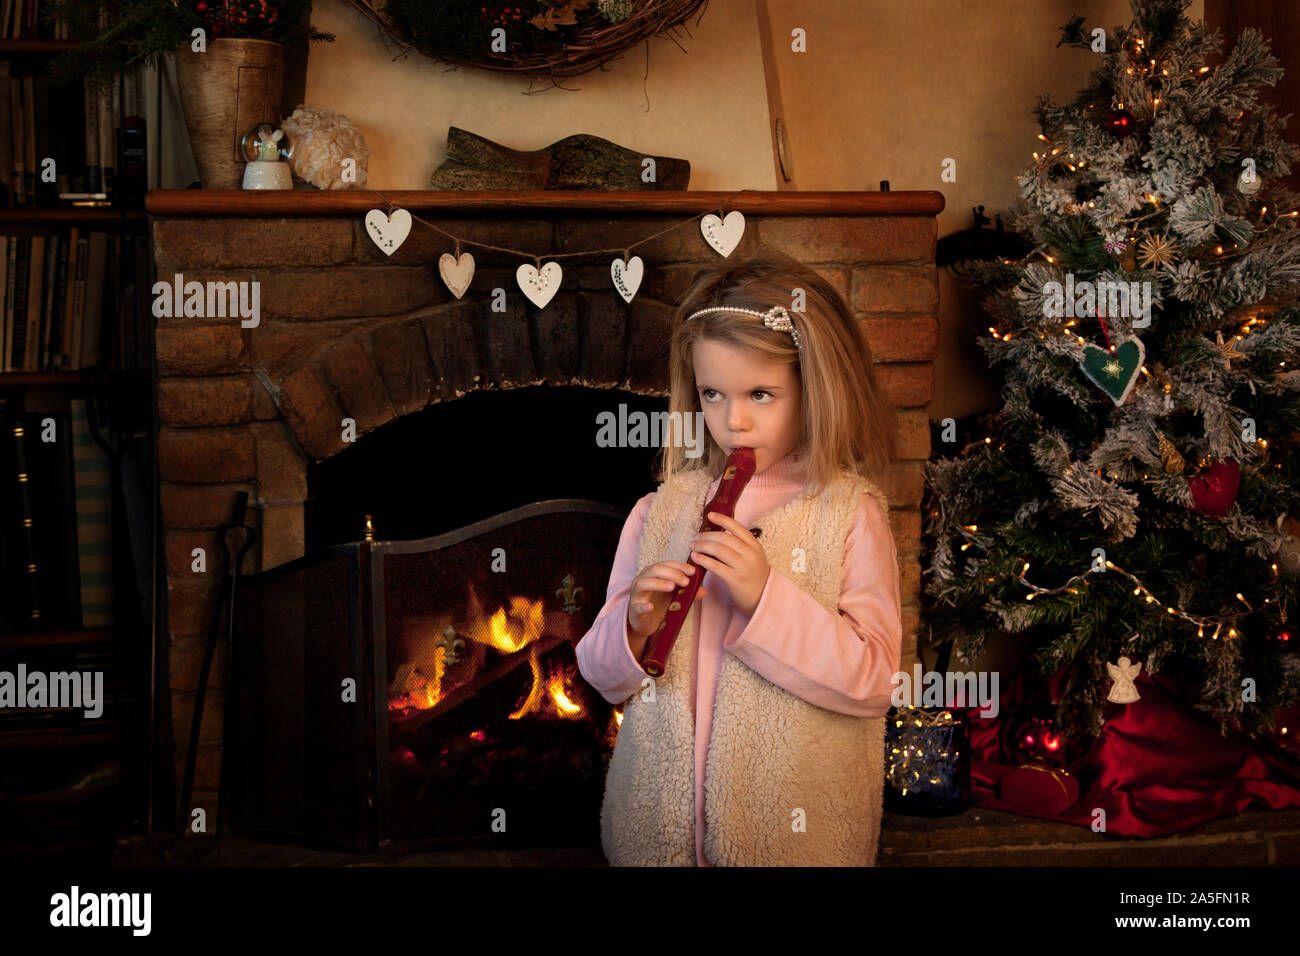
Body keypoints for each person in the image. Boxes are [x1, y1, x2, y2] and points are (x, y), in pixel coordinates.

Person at [575, 252, 905, 866]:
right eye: (713, 394)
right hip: (657, 837)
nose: (735, 420)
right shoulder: (660, 511)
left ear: (814, 386)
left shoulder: (849, 514)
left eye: (761, 393)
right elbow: (601, 675)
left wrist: (766, 599)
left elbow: (875, 681)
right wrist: (635, 627)